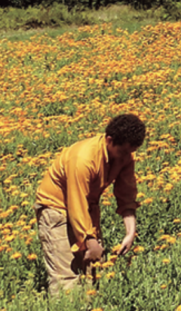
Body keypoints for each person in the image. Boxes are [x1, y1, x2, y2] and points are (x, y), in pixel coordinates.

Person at [34, 113, 145, 297]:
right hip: (55, 209)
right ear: (109, 140)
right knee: (66, 276)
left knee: (94, 268)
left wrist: (130, 232)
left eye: (131, 152)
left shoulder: (124, 157)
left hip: (87, 206)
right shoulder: (83, 159)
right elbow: (76, 202)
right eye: (124, 151)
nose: (127, 156)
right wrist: (89, 239)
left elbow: (126, 196)